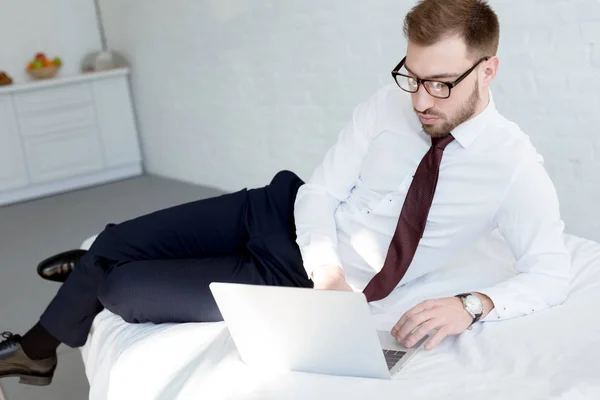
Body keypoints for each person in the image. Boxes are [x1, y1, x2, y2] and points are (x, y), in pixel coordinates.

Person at [0, 0, 570, 387]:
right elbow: (321, 189)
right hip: (278, 211)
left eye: (441, 84)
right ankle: (39, 349)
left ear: (489, 70)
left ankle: (87, 277)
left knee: (120, 286)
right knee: (116, 238)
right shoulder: (388, 104)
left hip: (285, 282)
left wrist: (472, 306)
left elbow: (549, 272)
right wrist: (328, 270)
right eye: (413, 77)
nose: (421, 100)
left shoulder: (513, 166)